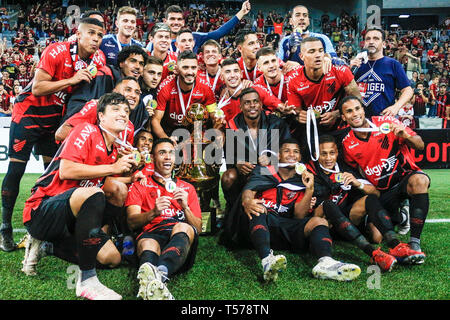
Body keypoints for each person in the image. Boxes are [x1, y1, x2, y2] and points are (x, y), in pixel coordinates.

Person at [0, 17, 106, 252]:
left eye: (100, 35)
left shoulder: (98, 59)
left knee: (53, 178)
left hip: (55, 125)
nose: (96, 39)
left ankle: (45, 230)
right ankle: (5, 229)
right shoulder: (56, 51)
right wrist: (72, 79)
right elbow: (37, 87)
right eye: (91, 33)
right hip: (28, 116)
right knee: (16, 170)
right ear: (78, 34)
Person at [21, 93, 139, 299]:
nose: (123, 113)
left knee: (112, 258)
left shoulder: (115, 149)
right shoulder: (86, 130)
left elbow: (111, 184)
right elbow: (66, 171)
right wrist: (113, 167)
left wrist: (132, 174)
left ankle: (47, 246)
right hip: (41, 209)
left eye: (126, 111)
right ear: (100, 116)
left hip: (72, 217)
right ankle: (87, 280)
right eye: (116, 109)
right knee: (94, 193)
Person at [224, 138, 361, 282]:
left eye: (296, 152)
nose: (292, 155)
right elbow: (249, 191)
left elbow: (299, 215)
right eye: (287, 151)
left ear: (300, 157)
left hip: (283, 225)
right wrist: (247, 201)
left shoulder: (301, 178)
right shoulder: (264, 170)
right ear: (278, 155)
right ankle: (266, 260)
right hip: (259, 225)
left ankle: (326, 263)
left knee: (318, 221)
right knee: (258, 207)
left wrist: (309, 189)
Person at [310, 135, 425, 271]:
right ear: (316, 154)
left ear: (337, 153)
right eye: (324, 154)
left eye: (332, 153)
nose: (328, 158)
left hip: (346, 218)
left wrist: (358, 184)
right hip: (323, 222)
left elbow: (376, 193)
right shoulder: (309, 171)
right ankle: (374, 254)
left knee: (374, 224)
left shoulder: (344, 167)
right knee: (328, 204)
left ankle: (396, 246)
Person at [340, 96, 429, 258]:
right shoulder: (347, 144)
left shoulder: (386, 122)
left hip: (403, 181)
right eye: (349, 111)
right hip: (383, 193)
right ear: (343, 117)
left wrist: (406, 136)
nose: (355, 114)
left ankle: (415, 242)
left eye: (357, 108)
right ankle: (402, 217)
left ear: (363, 109)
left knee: (420, 180)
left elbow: (420, 145)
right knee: (376, 237)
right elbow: (357, 172)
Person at [125, 138, 202, 300]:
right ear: (152, 158)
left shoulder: (187, 188)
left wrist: (186, 207)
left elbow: (198, 228)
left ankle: (156, 277)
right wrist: (154, 212)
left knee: (183, 227)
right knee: (147, 243)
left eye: (171, 153)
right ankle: (157, 282)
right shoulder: (140, 185)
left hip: (179, 238)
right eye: (162, 153)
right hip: (151, 233)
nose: (168, 157)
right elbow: (132, 222)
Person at [287, 37, 361, 161]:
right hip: (313, 129)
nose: (317, 55)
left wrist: (337, 114)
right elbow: (297, 112)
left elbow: (357, 99)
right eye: (311, 52)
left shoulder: (341, 71)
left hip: (340, 126)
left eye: (320, 51)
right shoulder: (293, 79)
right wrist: (299, 116)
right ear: (301, 56)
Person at [221, 87, 291, 212]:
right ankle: (232, 211)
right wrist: (238, 164)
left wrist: (272, 157)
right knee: (228, 177)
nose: (252, 105)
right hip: (247, 172)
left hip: (270, 172)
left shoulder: (276, 123)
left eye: (255, 101)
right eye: (247, 103)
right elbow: (230, 158)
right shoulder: (233, 125)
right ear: (241, 107)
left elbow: (289, 150)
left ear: (261, 104)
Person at [64, 45, 147, 123]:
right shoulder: (103, 75)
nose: (138, 67)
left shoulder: (137, 87)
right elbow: (76, 106)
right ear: (121, 63)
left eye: (141, 64)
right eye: (133, 61)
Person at [151, 50, 217, 140]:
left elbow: (214, 115)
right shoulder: (166, 87)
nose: (190, 72)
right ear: (177, 68)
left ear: (197, 68)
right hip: (169, 131)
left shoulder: (205, 87)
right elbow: (155, 120)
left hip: (194, 131)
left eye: (193, 68)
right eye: (185, 67)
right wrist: (167, 140)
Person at [350, 27, 413, 117]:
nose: (371, 41)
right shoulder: (357, 65)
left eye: (376, 38)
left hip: (383, 119)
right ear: (364, 44)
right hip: (359, 119)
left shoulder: (393, 64)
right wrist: (348, 71)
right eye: (368, 39)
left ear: (383, 44)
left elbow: (408, 90)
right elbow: (346, 91)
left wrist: (396, 107)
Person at [55, 77, 141, 143]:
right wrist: (101, 142)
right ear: (115, 92)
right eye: (128, 90)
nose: (133, 95)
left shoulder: (129, 127)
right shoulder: (97, 106)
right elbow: (61, 134)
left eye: (137, 92)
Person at [147, 1, 251, 54]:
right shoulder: (156, 43)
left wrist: (242, 12)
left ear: (183, 22)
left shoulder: (194, 37)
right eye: (172, 19)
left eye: (179, 19)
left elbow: (219, 33)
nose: (176, 22)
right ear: (165, 21)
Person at [217, 57, 284, 122]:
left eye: (236, 71)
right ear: (222, 77)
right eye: (228, 72)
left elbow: (279, 106)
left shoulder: (256, 89)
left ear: (241, 74)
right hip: (238, 133)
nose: (232, 75)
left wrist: (285, 109)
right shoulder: (223, 102)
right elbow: (228, 128)